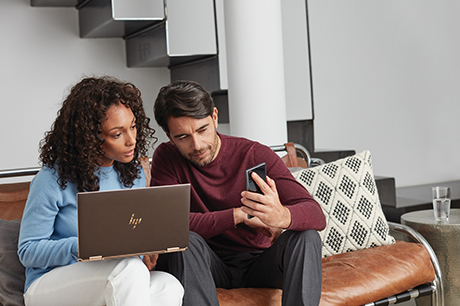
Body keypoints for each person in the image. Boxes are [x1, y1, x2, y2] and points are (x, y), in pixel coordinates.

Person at [150, 80, 326, 306]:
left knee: (306, 236)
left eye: (202, 130)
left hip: (260, 264)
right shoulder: (167, 158)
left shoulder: (253, 154)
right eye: (182, 137)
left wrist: (281, 215)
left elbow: (315, 214)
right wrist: (237, 215)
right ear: (168, 135)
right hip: (206, 266)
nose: (197, 144)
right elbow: (167, 225)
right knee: (184, 240)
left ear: (214, 117)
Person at [17, 76, 184, 306]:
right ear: (91, 137)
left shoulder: (132, 174)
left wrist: (145, 249)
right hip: (48, 285)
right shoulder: (53, 178)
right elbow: (28, 251)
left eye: (133, 127)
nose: (131, 140)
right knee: (129, 268)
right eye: (118, 134)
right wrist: (84, 246)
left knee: (168, 285)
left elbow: (127, 238)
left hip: (114, 275)